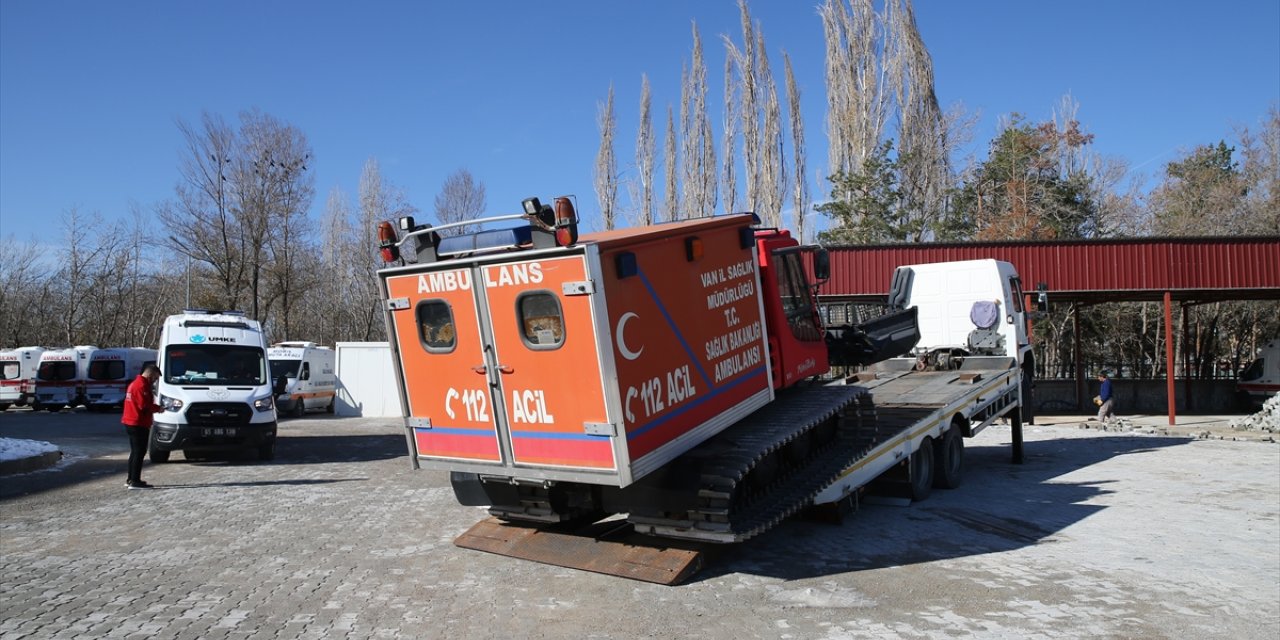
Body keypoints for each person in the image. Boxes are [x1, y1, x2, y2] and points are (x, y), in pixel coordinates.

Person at [122, 364, 163, 489]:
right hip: (137, 422)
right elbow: (144, 405)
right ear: (150, 374)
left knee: (135, 451)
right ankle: (135, 480)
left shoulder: (134, 384)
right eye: (155, 378)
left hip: (131, 421)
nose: (155, 381)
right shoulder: (142, 386)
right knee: (139, 452)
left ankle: (131, 478)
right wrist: (158, 408)